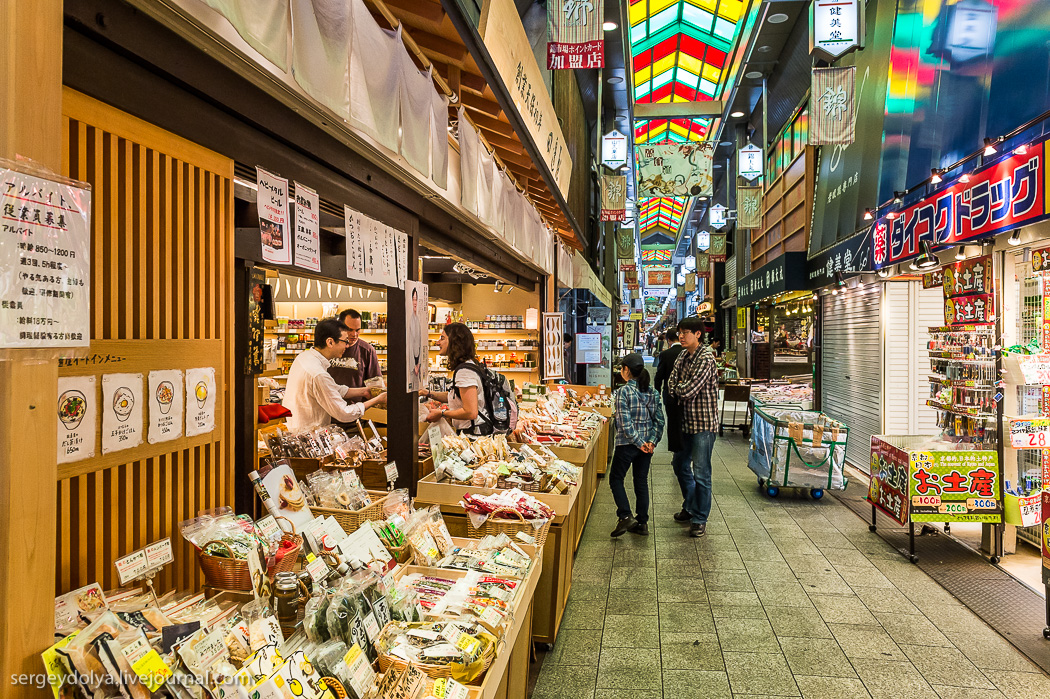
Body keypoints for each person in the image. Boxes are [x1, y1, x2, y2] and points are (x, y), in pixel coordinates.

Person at [283, 318, 387, 432]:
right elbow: (344, 413)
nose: (347, 346)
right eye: (345, 341)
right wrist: (377, 400)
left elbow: (332, 389)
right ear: (330, 342)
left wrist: (364, 391)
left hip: (295, 428)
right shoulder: (318, 374)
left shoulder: (304, 357)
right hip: (309, 435)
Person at [667, 315, 719, 537]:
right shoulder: (682, 355)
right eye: (680, 332)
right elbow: (671, 383)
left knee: (701, 472)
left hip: (704, 425)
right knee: (679, 464)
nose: (681, 336)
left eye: (685, 332)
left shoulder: (706, 358)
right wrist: (679, 387)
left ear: (698, 334)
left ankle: (699, 518)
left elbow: (689, 390)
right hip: (685, 423)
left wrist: (679, 387)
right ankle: (691, 504)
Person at [609, 353, 664, 537]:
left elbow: (625, 424)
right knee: (640, 481)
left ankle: (625, 515)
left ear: (627, 371)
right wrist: (651, 442)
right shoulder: (653, 392)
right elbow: (660, 421)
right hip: (646, 447)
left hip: (627, 444)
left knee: (616, 479)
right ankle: (642, 523)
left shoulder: (623, 392)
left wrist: (639, 443)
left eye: (622, 368)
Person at [423, 323, 489, 434]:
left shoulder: (464, 372)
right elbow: (456, 396)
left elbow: (470, 412)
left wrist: (442, 413)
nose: (438, 342)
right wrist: (428, 393)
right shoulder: (468, 365)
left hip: (473, 435)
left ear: (455, 342)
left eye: (442, 338)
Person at [654, 327, 687, 509]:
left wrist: (657, 393)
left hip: (670, 395)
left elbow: (659, 376)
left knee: (673, 422)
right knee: (685, 421)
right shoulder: (687, 353)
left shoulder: (666, 354)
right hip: (687, 398)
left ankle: (677, 452)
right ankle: (683, 450)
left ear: (668, 340)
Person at [328, 309, 382, 404]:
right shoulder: (328, 347)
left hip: (356, 411)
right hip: (328, 409)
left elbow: (375, 385)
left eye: (357, 330)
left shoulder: (367, 350)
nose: (354, 334)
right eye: (350, 330)